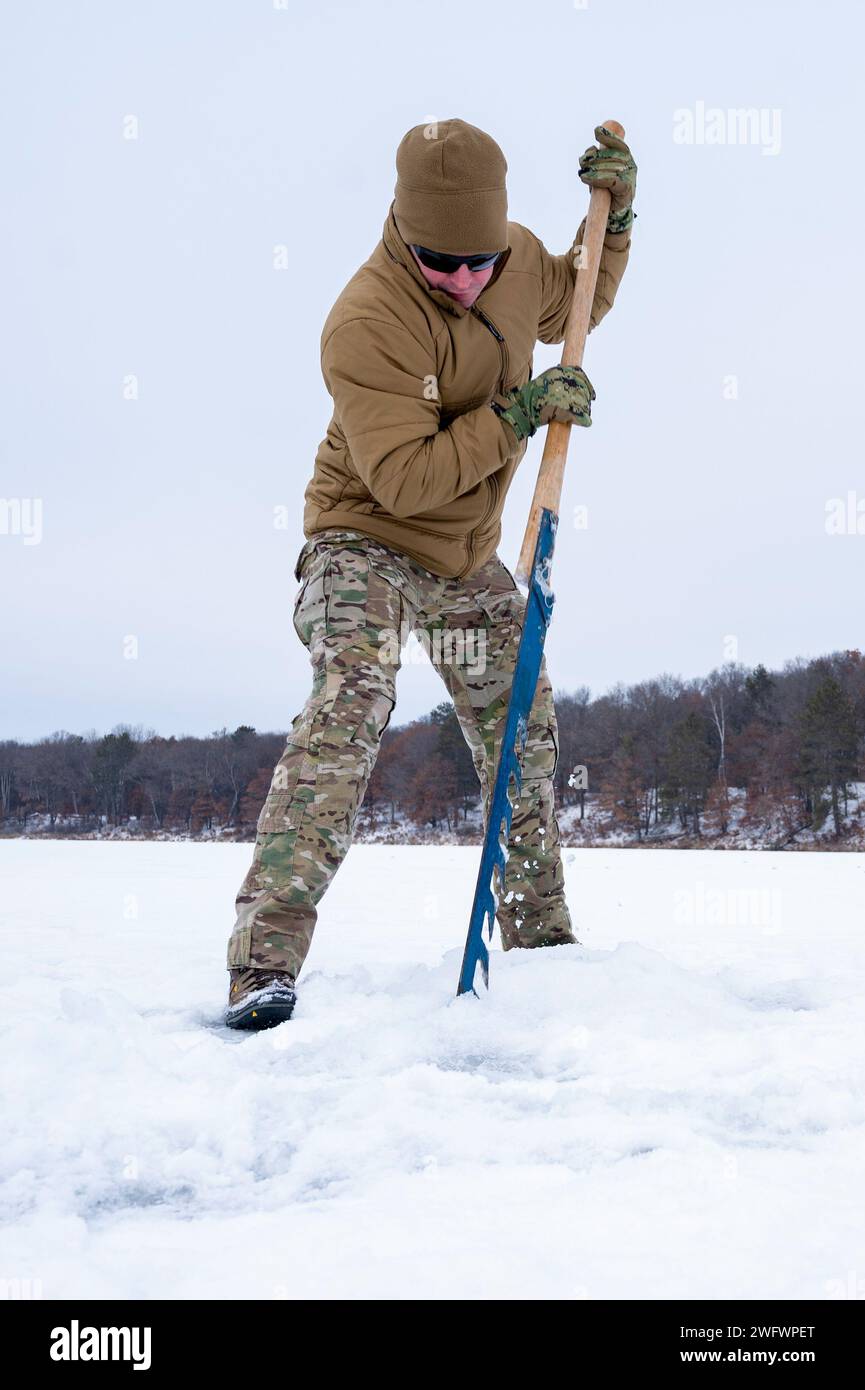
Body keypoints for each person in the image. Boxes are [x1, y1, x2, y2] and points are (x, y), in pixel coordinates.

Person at [224, 117, 636, 1029]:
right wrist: (521, 411)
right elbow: (405, 481)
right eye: (438, 260)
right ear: (403, 234)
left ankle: (542, 946)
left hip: (462, 560)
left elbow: (575, 306)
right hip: (364, 537)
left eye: (478, 260)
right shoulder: (366, 318)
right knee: (351, 703)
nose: (462, 278)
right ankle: (264, 964)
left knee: (521, 728)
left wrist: (613, 225)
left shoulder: (516, 258)